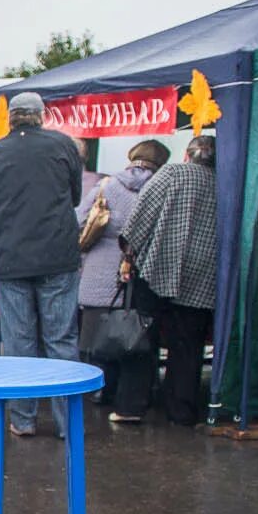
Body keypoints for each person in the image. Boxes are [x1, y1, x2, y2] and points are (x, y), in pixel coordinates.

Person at [0, 91, 85, 437]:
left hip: (9, 258)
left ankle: (23, 418)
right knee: (61, 339)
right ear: (42, 116)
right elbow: (75, 197)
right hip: (58, 255)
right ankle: (65, 422)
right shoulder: (64, 147)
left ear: (11, 118)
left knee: (18, 340)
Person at [121, 135, 219, 427]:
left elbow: (141, 216)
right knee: (188, 345)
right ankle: (182, 411)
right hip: (202, 274)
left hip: (159, 268)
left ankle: (134, 405)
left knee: (142, 338)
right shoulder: (222, 183)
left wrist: (129, 254)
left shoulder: (171, 172)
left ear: (187, 155)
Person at [76, 140, 168, 422]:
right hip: (142, 275)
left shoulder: (107, 185)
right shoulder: (161, 186)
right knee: (136, 339)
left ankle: (99, 395)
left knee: (98, 339)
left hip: (99, 275)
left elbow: (80, 221)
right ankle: (130, 406)